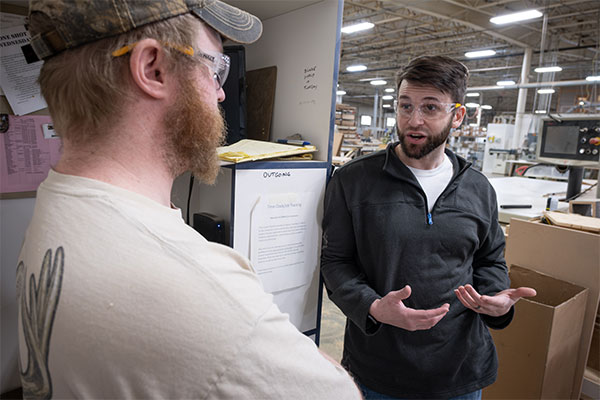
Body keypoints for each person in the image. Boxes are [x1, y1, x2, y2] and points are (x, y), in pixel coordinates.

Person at [15, 1, 362, 398]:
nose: (218, 93)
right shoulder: (198, 288)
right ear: (153, 69)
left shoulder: (60, 202)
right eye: (215, 69)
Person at [320, 55, 536, 399]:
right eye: (405, 106)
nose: (413, 120)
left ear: (458, 115)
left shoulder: (478, 188)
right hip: (380, 370)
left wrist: (495, 297)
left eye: (430, 108)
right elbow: (335, 262)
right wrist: (373, 307)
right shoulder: (354, 181)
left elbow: (489, 259)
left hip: (459, 369)